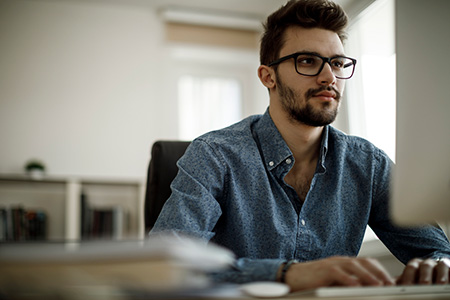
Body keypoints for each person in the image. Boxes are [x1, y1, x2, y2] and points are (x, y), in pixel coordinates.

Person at [150, 0, 450, 292]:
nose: (329, 77)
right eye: (307, 61)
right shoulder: (214, 155)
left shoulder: (369, 164)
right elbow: (163, 264)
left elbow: (437, 251)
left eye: (337, 63)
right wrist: (286, 274)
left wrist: (439, 263)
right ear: (268, 76)